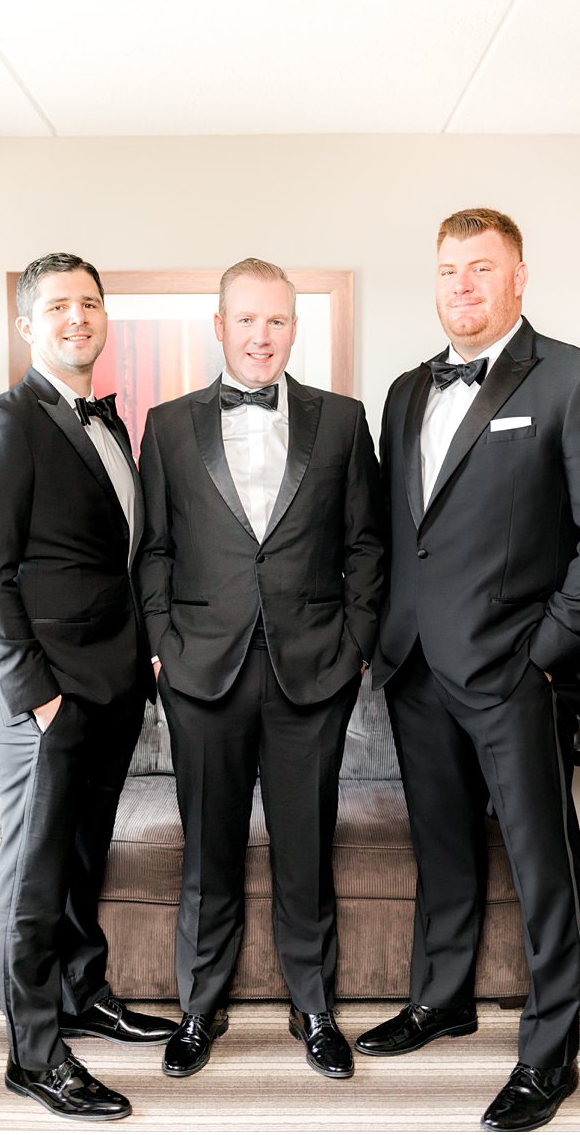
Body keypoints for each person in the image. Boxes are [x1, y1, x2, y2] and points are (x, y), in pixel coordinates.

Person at [359, 208, 580, 1132]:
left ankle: (549, 1047)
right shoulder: (406, 391)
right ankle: (442, 1000)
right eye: (448, 270)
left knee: (542, 859)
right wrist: (381, 638)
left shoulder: (578, 379)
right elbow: (399, 527)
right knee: (443, 849)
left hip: (515, 672)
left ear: (519, 276)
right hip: (413, 668)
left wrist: (549, 650)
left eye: (481, 268)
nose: (462, 286)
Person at [136, 258, 384, 1081]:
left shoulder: (343, 421)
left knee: (304, 847)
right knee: (208, 852)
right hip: (202, 674)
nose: (261, 336)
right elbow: (156, 551)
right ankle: (198, 1008)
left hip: (313, 671)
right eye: (246, 319)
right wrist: (163, 643)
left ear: (294, 328)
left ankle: (313, 1006)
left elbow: (364, 546)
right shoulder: (168, 425)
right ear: (219, 326)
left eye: (277, 320)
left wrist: (353, 646)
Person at [0, 252, 175, 1122]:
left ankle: (87, 994)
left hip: (114, 686)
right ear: (27, 325)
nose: (77, 316)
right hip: (47, 696)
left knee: (86, 856)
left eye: (89, 302)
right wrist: (34, 694)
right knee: (35, 871)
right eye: (58, 306)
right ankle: (34, 1050)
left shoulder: (111, 426)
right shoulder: (1, 422)